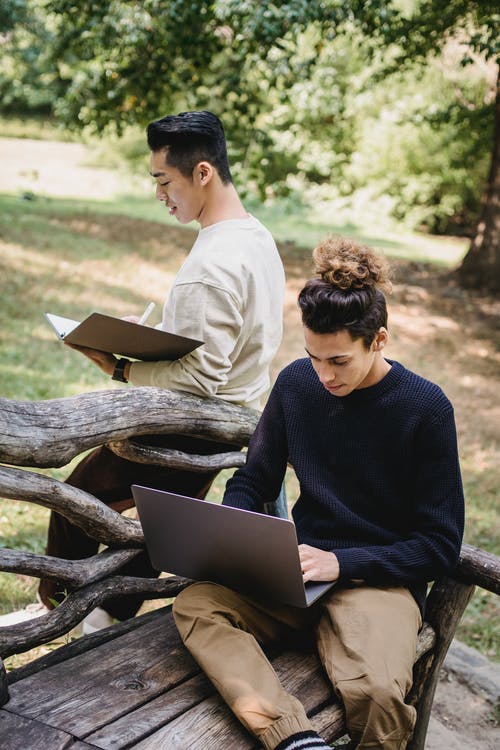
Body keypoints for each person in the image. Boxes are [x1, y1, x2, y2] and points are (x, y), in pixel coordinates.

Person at [172, 236, 465, 750]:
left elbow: (439, 546)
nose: (324, 375)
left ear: (379, 341)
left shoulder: (426, 409)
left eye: (338, 361)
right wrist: (232, 537)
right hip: (295, 571)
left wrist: (343, 561)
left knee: (375, 692)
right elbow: (252, 480)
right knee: (197, 604)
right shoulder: (296, 385)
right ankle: (294, 739)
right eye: (313, 357)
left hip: (378, 581)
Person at [37, 110, 286, 629]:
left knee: (72, 506)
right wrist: (151, 342)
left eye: (163, 180)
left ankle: (60, 611)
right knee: (156, 530)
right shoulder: (255, 236)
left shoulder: (212, 265)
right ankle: (104, 616)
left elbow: (200, 378)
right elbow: (219, 343)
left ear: (202, 173)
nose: (159, 193)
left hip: (192, 427)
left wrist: (121, 367)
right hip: (237, 414)